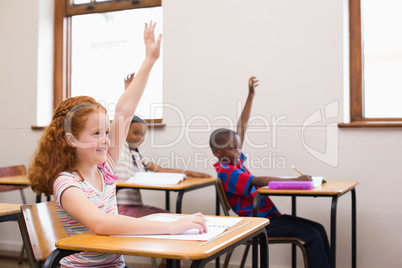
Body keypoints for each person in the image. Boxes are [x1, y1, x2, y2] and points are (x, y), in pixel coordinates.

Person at [28, 21, 207, 268]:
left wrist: (149, 60)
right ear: (71, 139)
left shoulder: (105, 167)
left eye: (106, 131)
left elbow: (124, 110)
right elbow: (101, 223)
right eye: (96, 133)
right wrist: (169, 226)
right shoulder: (66, 183)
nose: (106, 139)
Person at [209, 76, 330, 268]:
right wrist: (295, 180)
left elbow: (242, 126)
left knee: (319, 229)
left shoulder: (236, 163)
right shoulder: (225, 172)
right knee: (312, 235)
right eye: (232, 148)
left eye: (238, 147)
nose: (238, 151)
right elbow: (258, 181)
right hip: (256, 222)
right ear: (217, 152)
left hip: (269, 217)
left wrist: (250, 95)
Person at [115, 112, 211, 218]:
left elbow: (160, 170)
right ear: (123, 132)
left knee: (172, 216)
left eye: (143, 134)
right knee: (171, 219)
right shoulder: (118, 148)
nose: (140, 138)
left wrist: (190, 173)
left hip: (136, 206)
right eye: (136, 133)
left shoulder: (138, 155)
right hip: (120, 209)